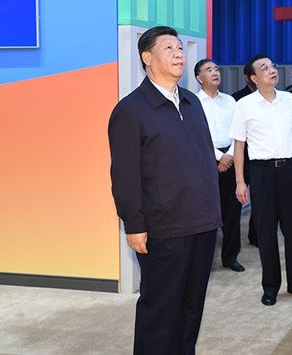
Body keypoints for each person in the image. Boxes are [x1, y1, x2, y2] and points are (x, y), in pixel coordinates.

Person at [108, 26, 222, 354]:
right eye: (168, 48)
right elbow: (124, 175)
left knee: (191, 307)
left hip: (202, 223)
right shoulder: (132, 109)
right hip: (164, 228)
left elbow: (204, 159)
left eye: (180, 48)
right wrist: (134, 225)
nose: (178, 54)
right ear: (147, 57)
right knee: (160, 310)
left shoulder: (191, 101)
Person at [229, 54, 292, 306]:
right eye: (264, 68)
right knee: (266, 230)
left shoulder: (289, 100)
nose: (272, 70)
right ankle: (270, 287)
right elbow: (239, 146)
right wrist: (240, 181)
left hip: (290, 170)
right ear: (253, 78)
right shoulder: (244, 105)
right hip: (262, 172)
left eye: (273, 66)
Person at [195, 59, 244, 272]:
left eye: (216, 69)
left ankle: (231, 257)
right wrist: (219, 157)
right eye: (209, 70)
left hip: (231, 158)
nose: (215, 72)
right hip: (206, 160)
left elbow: (239, 131)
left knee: (232, 211)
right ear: (199, 78)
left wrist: (229, 155)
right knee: (206, 212)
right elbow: (197, 136)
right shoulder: (194, 102)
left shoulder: (230, 101)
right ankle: (204, 260)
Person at [232, 63, 258, 247]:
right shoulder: (237, 99)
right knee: (236, 201)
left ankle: (255, 235)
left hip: (259, 158)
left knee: (260, 201)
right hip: (241, 157)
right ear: (248, 78)